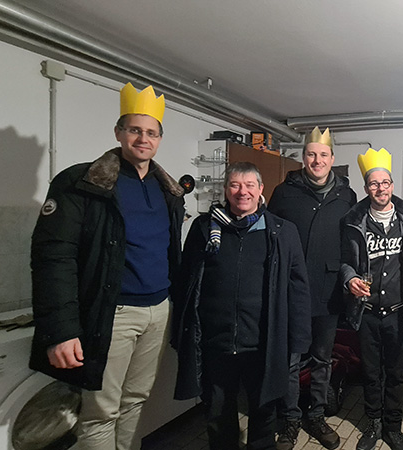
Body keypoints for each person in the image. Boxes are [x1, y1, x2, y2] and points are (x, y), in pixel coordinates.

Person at [29, 83, 185, 450]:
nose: (143, 139)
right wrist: (60, 330)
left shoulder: (168, 191)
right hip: (112, 313)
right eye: (134, 130)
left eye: (151, 133)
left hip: (158, 312)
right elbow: (54, 257)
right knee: (101, 411)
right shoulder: (82, 183)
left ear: (159, 140)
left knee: (135, 401)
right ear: (118, 132)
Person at [170, 162, 312, 450]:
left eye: (249, 185)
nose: (242, 192)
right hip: (216, 341)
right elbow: (187, 281)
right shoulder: (204, 228)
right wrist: (181, 330)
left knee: (264, 412)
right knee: (218, 412)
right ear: (226, 190)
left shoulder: (282, 232)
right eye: (235, 185)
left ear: (261, 190)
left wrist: (298, 339)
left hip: (263, 343)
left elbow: (298, 288)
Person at [268, 126, 357, 450]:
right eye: (311, 154)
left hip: (328, 290)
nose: (317, 160)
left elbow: (351, 244)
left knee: (322, 358)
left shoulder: (347, 196)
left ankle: (316, 415)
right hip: (291, 290)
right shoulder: (283, 193)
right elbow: (269, 238)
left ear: (332, 159)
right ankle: (290, 418)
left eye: (323, 155)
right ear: (303, 158)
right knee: (291, 359)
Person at [340, 148, 403, 450]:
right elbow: (345, 261)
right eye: (374, 184)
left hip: (399, 312)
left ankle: (393, 428)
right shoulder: (352, 221)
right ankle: (373, 423)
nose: (380, 188)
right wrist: (349, 279)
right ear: (366, 188)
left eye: (385, 182)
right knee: (371, 373)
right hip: (367, 312)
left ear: (392, 185)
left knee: (395, 374)